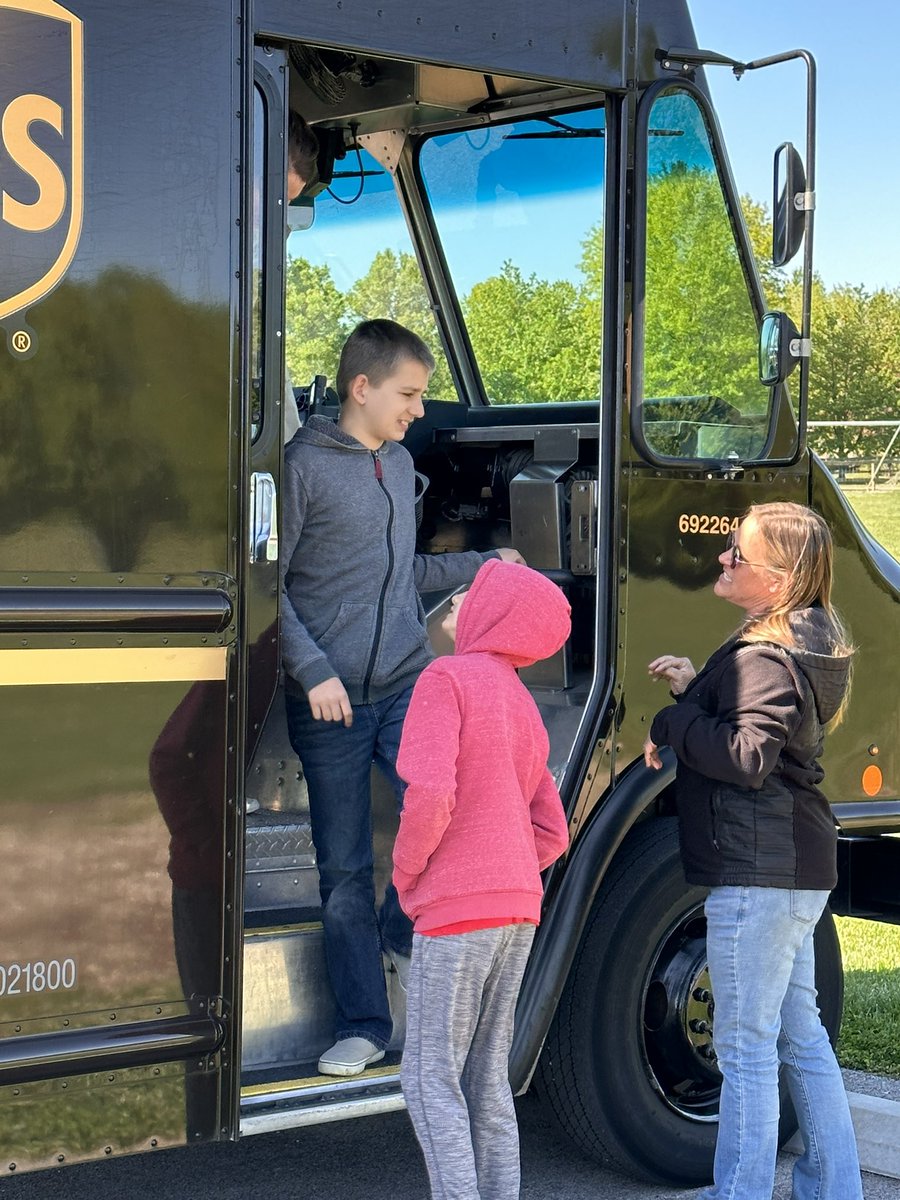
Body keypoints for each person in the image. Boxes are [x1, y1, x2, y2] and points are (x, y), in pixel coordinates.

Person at [281, 318, 525, 1077]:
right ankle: (361, 1022)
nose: (419, 410)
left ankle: (402, 930)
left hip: (406, 684)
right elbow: (267, 586)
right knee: (345, 869)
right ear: (362, 388)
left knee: (446, 815)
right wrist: (312, 669)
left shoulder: (394, 464)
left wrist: (487, 564)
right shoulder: (302, 470)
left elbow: (405, 576)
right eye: (409, 395)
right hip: (332, 704)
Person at [643, 501, 862, 1200]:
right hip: (794, 867)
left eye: (738, 554)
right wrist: (692, 688)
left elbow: (746, 757)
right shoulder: (801, 641)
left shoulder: (766, 657)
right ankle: (835, 1188)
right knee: (800, 1039)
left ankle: (739, 1192)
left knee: (746, 1049)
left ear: (777, 579)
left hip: (759, 872)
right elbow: (753, 727)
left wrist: (675, 720)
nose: (723, 559)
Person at [393, 558, 571, 1200]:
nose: (458, 600)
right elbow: (552, 829)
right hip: (519, 907)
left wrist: (408, 871)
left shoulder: (445, 678)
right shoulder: (522, 700)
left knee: (428, 1078)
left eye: (470, 593)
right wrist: (508, 867)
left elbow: (431, 791)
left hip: (454, 909)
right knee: (486, 1077)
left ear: (493, 614)